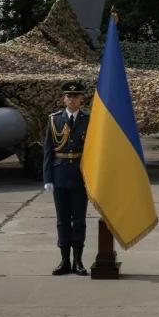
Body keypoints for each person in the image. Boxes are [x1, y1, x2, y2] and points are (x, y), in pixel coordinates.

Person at [43, 80, 90, 276]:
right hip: (60, 174)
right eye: (68, 96)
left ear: (81, 98)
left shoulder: (89, 120)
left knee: (78, 220)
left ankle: (78, 261)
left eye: (76, 96)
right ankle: (64, 261)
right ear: (63, 98)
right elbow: (48, 151)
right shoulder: (54, 120)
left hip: (80, 175)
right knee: (62, 220)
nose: (72, 99)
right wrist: (48, 179)